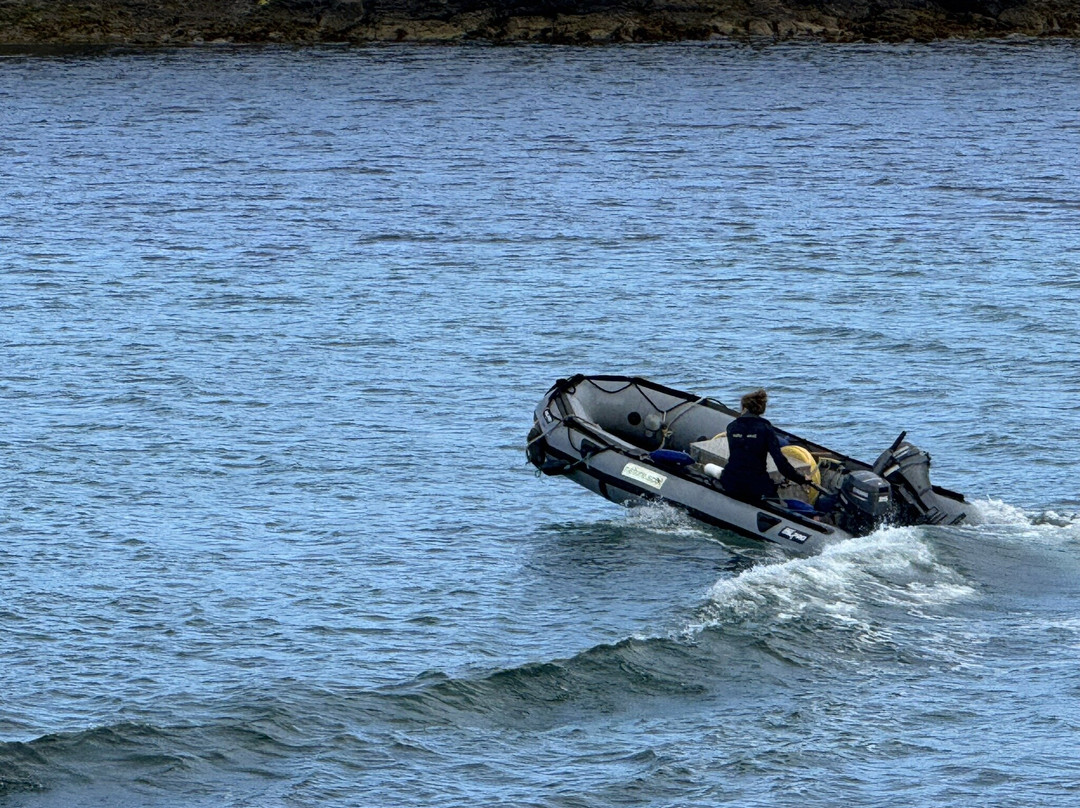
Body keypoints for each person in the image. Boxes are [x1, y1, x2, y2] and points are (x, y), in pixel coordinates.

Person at [719, 388, 809, 502]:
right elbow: (780, 462)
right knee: (776, 499)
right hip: (756, 485)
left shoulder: (731, 427)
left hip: (731, 482)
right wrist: (801, 479)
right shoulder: (765, 428)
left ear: (744, 408)